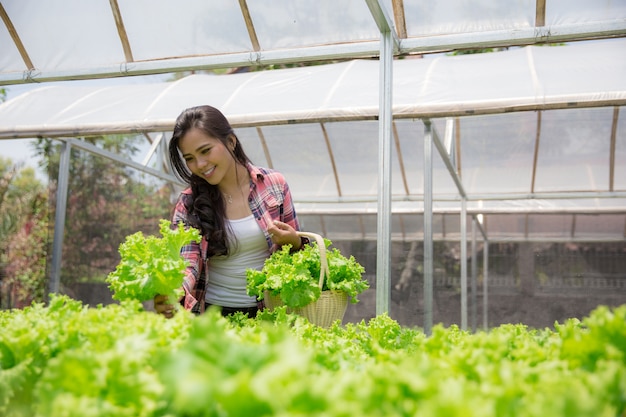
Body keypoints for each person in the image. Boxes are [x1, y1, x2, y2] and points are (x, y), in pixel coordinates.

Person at [154, 105, 306, 318]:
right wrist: (175, 290)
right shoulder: (188, 202)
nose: (199, 164)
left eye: (205, 151)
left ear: (231, 142)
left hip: (270, 314)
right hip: (212, 318)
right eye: (189, 158)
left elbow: (300, 260)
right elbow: (187, 261)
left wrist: (296, 242)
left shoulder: (274, 185)